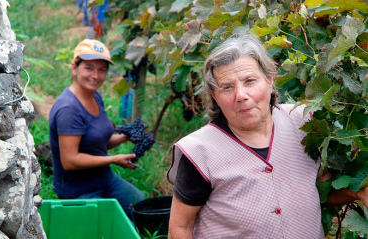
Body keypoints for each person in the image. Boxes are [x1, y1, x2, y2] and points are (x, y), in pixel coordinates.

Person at [167, 33, 368, 238]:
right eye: (227, 87)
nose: (241, 95)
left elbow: (319, 192)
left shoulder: (306, 123)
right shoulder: (200, 152)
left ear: (270, 78)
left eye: (250, 81)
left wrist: (358, 192)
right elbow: (180, 228)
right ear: (214, 95)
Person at [49, 39, 144, 220]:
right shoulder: (69, 109)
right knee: (103, 224)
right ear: (75, 68)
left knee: (138, 204)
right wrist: (114, 159)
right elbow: (69, 160)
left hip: (103, 179)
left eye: (102, 70)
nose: (96, 75)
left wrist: (125, 137)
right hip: (78, 189)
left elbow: (99, 143)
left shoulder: (95, 96)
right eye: (89, 68)